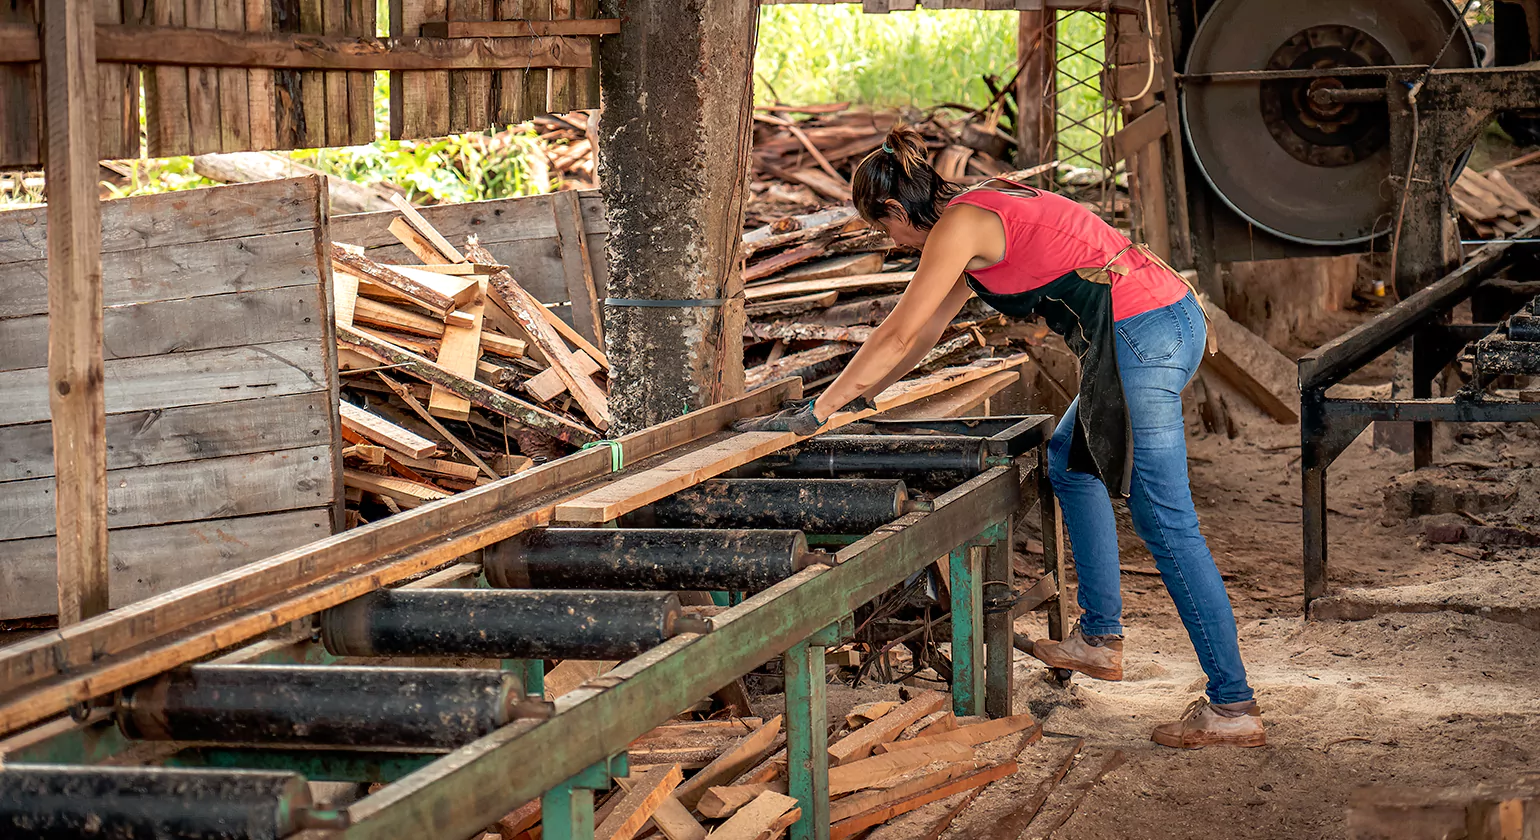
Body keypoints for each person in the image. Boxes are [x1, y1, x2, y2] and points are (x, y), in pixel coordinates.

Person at [734, 126, 1265, 749]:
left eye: (884, 231)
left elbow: (898, 331)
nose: (890, 243)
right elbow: (925, 332)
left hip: (1143, 331)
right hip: (1151, 325)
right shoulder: (971, 220)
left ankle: (1233, 706)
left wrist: (821, 410)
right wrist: (864, 392)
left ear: (899, 211)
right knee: (1070, 462)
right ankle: (1099, 639)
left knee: (1165, 521)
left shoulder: (959, 226)